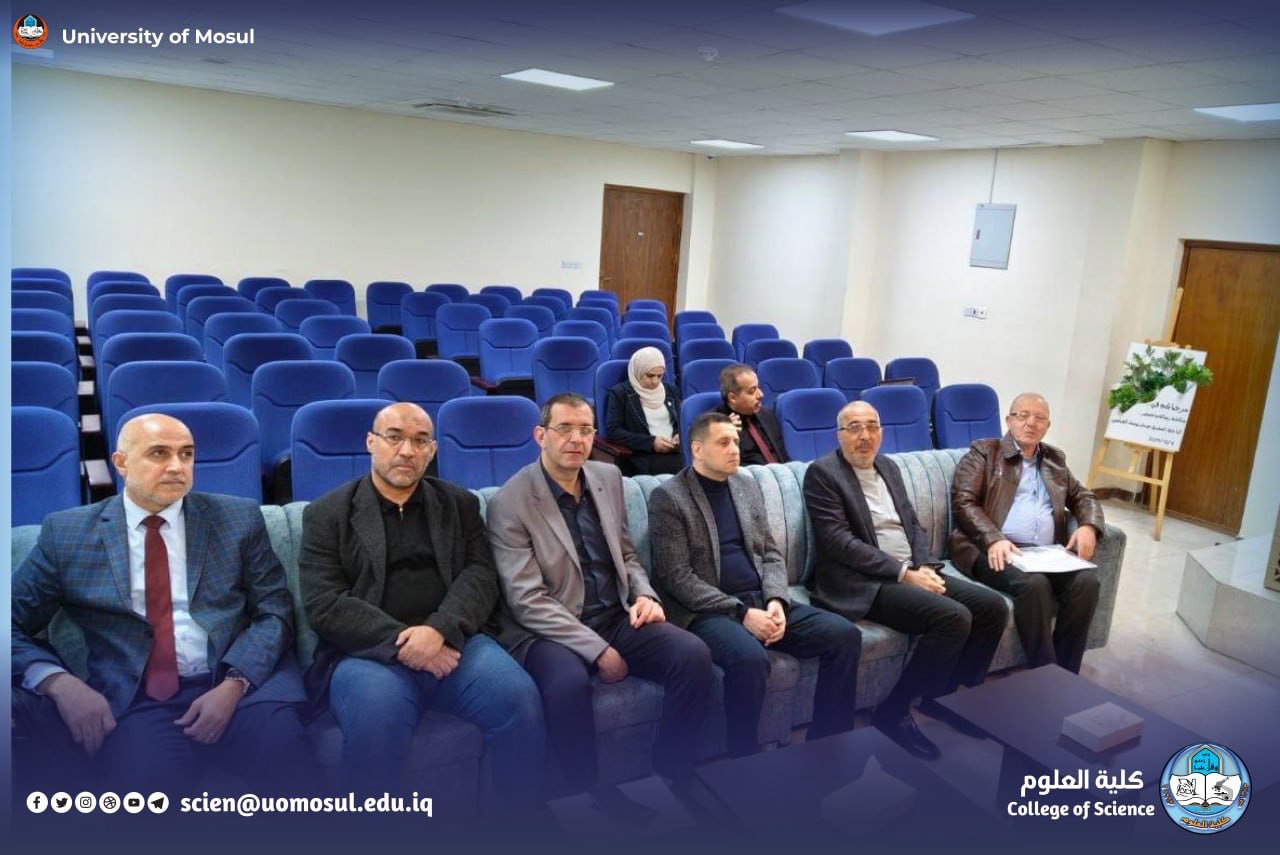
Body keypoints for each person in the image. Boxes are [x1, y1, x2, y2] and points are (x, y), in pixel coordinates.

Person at [11, 413, 317, 793]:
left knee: (296, 777)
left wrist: (236, 683)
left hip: (241, 688)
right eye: (159, 453)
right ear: (120, 463)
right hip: (139, 699)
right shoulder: (68, 533)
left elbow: (274, 610)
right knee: (142, 798)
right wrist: (57, 682)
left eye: (186, 454)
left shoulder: (237, 518)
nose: (177, 466)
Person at [299, 402, 544, 809]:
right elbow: (325, 604)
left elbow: (481, 575)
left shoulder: (459, 504)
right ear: (371, 442)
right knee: (375, 723)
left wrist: (438, 630)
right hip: (367, 654)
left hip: (455, 642)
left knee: (519, 698)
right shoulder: (327, 514)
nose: (406, 451)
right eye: (394, 438)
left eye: (420, 441)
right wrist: (406, 642)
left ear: (432, 451)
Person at [487, 393, 713, 821]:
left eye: (586, 430)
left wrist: (644, 595)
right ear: (540, 436)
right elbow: (527, 600)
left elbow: (627, 554)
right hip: (551, 629)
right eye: (564, 429)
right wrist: (598, 650)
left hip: (614, 613)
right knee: (567, 686)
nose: (576, 439)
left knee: (693, 655)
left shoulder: (608, 477)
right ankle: (587, 795)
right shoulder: (510, 501)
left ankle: (671, 772)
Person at [650, 412, 861, 757]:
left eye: (735, 441)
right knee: (749, 660)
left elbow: (771, 553)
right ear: (697, 449)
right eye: (724, 443)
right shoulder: (669, 497)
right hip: (708, 610)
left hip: (761, 599)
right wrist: (742, 613)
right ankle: (743, 757)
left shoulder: (745, 485)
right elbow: (676, 576)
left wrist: (776, 600)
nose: (735, 449)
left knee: (844, 635)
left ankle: (828, 741)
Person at [804, 401, 1006, 760]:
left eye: (872, 426)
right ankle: (893, 711)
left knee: (991, 608)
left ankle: (947, 698)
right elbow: (839, 542)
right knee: (953, 617)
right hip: (863, 582)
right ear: (839, 435)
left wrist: (924, 565)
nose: (865, 436)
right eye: (854, 427)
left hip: (911, 569)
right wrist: (904, 573)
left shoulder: (888, 466)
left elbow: (911, 522)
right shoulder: (822, 474)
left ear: (882, 432)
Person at [950, 393, 1104, 674]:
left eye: (1039, 418)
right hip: (992, 548)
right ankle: (1045, 674)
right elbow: (963, 501)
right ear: (1008, 420)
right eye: (1022, 415)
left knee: (1087, 583)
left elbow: (1083, 496)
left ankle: (1066, 675)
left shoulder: (1055, 460)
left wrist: (1088, 526)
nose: (1031, 423)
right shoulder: (984, 452)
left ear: (1048, 426)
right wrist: (993, 538)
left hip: (1045, 554)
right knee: (1035, 585)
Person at [605, 345, 682, 475]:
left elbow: (680, 422)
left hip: (673, 451)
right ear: (638, 371)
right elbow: (613, 431)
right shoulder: (621, 393)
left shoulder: (670, 390)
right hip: (643, 455)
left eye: (660, 376)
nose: (655, 381)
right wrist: (651, 443)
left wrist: (678, 436)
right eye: (650, 375)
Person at [715, 363, 788, 466]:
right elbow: (713, 467)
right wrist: (724, 438)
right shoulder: (715, 424)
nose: (761, 395)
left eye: (759, 388)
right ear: (733, 398)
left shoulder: (767, 414)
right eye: (752, 391)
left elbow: (784, 457)